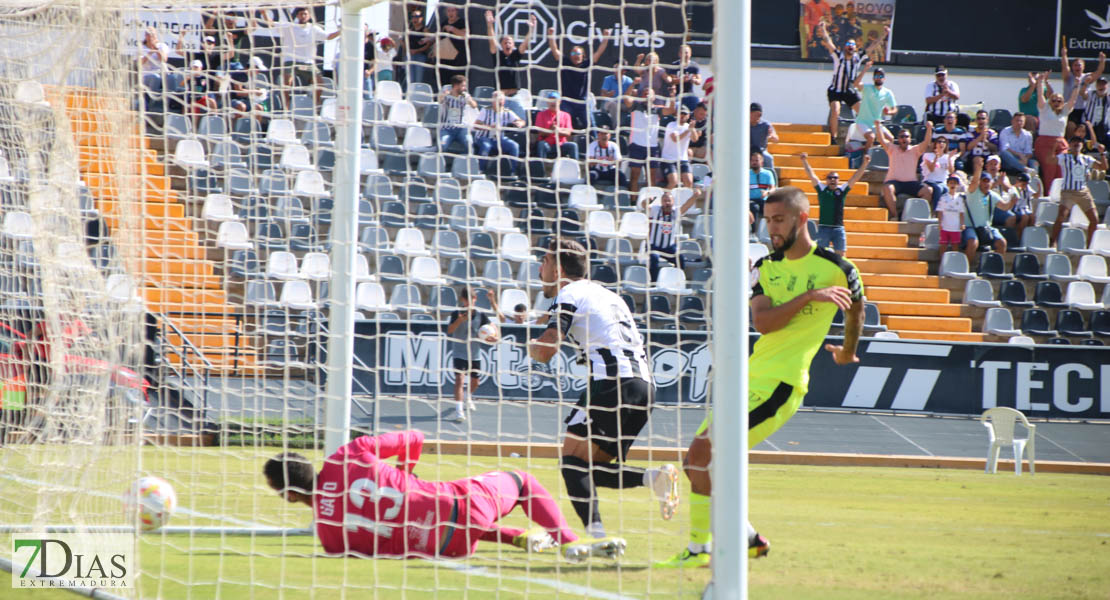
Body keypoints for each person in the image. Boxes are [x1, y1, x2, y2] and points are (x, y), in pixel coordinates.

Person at [656, 185, 865, 569]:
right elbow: (764, 323)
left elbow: (856, 308)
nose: (772, 229)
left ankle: (703, 549)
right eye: (769, 221)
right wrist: (808, 297)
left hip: (782, 384)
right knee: (695, 464)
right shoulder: (765, 268)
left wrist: (849, 350)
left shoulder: (839, 267)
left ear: (803, 219)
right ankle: (748, 539)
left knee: (704, 454)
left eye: (779, 220)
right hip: (749, 379)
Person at [263, 430, 629, 562]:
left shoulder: (329, 539)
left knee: (418, 523)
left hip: (446, 547)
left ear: (289, 497)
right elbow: (414, 438)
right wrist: (406, 474)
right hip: (459, 505)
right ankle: (568, 542)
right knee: (521, 480)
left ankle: (516, 538)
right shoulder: (347, 453)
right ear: (307, 464)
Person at [527, 239, 680, 539]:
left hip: (611, 384)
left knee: (571, 463)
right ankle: (655, 479)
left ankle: (598, 538)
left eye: (543, 262)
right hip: (644, 387)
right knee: (588, 468)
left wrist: (529, 345)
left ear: (558, 269)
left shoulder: (570, 293)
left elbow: (546, 350)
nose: (539, 269)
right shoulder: (607, 295)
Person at [265, 7, 340, 109]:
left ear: (309, 16)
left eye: (305, 14)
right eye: (301, 14)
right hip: (291, 60)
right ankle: (286, 106)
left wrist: (341, 30)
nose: (303, 16)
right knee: (287, 82)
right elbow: (270, 24)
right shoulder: (289, 27)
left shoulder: (313, 28)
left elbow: (329, 36)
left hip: (307, 63)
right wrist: (263, 11)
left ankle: (316, 105)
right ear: (297, 16)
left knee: (319, 82)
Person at [802, 151, 871, 257]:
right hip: (823, 228)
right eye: (830, 178)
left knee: (841, 256)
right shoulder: (822, 189)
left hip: (838, 228)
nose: (832, 180)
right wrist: (804, 161)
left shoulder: (842, 190)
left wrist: (865, 164)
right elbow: (811, 175)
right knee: (820, 256)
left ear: (838, 180)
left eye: (835, 178)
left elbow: (855, 177)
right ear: (826, 180)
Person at [446, 288, 497, 422]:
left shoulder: (480, 315)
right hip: (459, 352)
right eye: (467, 300)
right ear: (463, 300)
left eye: (472, 300)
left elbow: (492, 326)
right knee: (459, 380)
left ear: (475, 300)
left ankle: (468, 396)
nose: (470, 302)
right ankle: (459, 411)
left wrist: (495, 336)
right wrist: (459, 321)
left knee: (475, 382)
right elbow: (449, 330)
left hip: (474, 354)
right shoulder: (456, 313)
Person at [816, 21, 871, 140]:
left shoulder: (858, 58)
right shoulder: (838, 56)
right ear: (845, 46)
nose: (850, 46)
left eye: (853, 44)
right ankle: (833, 138)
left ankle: (866, 136)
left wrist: (883, 35)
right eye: (848, 44)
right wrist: (823, 29)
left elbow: (872, 47)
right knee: (836, 110)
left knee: (863, 111)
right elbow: (828, 42)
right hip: (835, 90)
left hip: (849, 90)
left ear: (856, 48)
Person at [548, 26, 611, 130]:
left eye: (578, 53)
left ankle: (594, 143)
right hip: (567, 101)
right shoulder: (565, 63)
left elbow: (598, 52)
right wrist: (551, 36)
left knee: (591, 126)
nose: (575, 55)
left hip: (582, 102)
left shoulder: (586, 64)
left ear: (583, 55)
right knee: (562, 124)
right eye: (573, 53)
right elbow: (555, 50)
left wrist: (605, 39)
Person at [1053, 133, 1107, 246]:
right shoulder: (1064, 157)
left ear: (1082, 145)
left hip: (1083, 192)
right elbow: (1050, 160)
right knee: (1061, 217)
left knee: (1094, 219)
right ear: (1070, 145)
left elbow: (1103, 167)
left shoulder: (1087, 158)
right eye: (1074, 142)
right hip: (1068, 191)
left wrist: (1102, 153)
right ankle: (1053, 241)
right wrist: (1054, 147)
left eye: (1079, 142)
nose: (1077, 144)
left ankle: (1089, 244)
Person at [877, 119, 934, 220]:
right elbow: (881, 140)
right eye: (902, 136)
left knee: (928, 191)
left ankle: (916, 215)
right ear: (898, 139)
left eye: (906, 136)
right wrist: (878, 126)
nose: (904, 139)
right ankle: (895, 215)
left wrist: (929, 128)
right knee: (887, 188)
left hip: (911, 182)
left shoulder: (915, 150)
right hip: (894, 182)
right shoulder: (892, 148)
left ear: (910, 139)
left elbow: (926, 142)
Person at [1035, 70, 1082, 192]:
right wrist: (1040, 82)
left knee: (1062, 168)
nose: (1056, 103)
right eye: (1053, 100)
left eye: (1059, 101)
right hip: (1045, 142)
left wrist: (1077, 85)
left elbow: (1073, 99)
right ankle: (1048, 196)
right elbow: (1040, 96)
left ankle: (1061, 195)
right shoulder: (1044, 108)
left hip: (1061, 143)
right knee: (1049, 170)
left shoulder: (1065, 111)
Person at [485, 10, 535, 121]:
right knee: (495, 121)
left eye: (510, 42)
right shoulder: (497, 55)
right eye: (505, 42)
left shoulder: (516, 55)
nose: (507, 44)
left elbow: (525, 44)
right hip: (499, 97)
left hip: (515, 97)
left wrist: (531, 29)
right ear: (501, 45)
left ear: (513, 45)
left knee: (521, 121)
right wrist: (489, 25)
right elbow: (491, 41)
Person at [642, 189, 697, 281]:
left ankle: (676, 281)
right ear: (661, 202)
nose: (667, 203)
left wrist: (695, 196)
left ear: (673, 202)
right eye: (665, 201)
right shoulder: (655, 210)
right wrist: (648, 200)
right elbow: (643, 205)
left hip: (669, 247)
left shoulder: (676, 212)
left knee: (680, 259)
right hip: (653, 246)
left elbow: (687, 205)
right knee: (654, 259)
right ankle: (653, 283)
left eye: (669, 201)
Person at [1060, 39, 1106, 139]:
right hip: (1070, 109)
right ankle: (1069, 143)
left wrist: (1102, 61)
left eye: (1079, 65)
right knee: (1071, 126)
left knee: (1083, 128)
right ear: (1072, 67)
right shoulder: (1069, 77)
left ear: (1083, 67)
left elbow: (1099, 72)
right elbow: (1065, 67)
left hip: (1083, 109)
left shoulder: (1087, 77)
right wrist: (1064, 55)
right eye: (1075, 65)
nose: (1077, 67)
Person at [473, 91, 525, 177]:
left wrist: (519, 123)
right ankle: (481, 170)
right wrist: (489, 127)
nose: (499, 103)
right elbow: (476, 125)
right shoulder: (485, 110)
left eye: (501, 100)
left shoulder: (507, 112)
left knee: (514, 146)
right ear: (493, 101)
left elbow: (521, 121)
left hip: (499, 139)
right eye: (497, 100)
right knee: (486, 146)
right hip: (483, 137)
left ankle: (513, 171)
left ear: (504, 101)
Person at [961, 172, 1008, 264]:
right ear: (979, 182)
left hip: (986, 228)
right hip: (969, 226)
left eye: (988, 181)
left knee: (1002, 243)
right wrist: (978, 167)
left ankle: (993, 267)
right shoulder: (972, 192)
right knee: (973, 242)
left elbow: (1005, 207)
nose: (986, 184)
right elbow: (973, 183)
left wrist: (1013, 199)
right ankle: (966, 268)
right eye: (984, 181)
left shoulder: (993, 195)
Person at [853, 66, 896, 148]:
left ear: (884, 78)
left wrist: (889, 112)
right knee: (871, 137)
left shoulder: (887, 93)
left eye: (881, 76)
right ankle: (865, 158)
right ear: (873, 78)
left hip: (876, 124)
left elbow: (895, 109)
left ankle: (878, 153)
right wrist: (865, 69)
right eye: (876, 76)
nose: (878, 78)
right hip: (862, 122)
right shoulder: (867, 88)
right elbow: (856, 84)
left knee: (891, 139)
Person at [660, 106, 700, 194]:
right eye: (680, 114)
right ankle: (663, 199)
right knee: (673, 181)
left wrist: (692, 129)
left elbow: (695, 139)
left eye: (684, 114)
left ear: (688, 116)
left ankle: (685, 201)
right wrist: (688, 130)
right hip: (668, 159)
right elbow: (676, 139)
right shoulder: (671, 125)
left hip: (683, 160)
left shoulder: (688, 127)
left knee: (689, 181)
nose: (682, 116)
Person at [439, 74, 476, 155]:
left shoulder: (465, 96)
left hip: (461, 128)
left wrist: (469, 99)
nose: (465, 88)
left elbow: (474, 105)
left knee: (470, 145)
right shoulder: (446, 96)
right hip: (446, 128)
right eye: (463, 86)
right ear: (456, 86)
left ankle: (461, 162)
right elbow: (440, 100)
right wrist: (444, 94)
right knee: (442, 146)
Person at [533, 91, 577, 160]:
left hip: (561, 145)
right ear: (547, 102)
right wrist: (550, 130)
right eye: (551, 100)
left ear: (559, 102)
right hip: (547, 144)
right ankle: (540, 168)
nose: (553, 102)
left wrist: (557, 130)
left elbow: (568, 133)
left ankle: (575, 168)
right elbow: (540, 133)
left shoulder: (566, 115)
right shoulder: (541, 114)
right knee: (541, 144)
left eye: (555, 100)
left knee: (573, 145)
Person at [435, 4, 468, 86]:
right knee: (443, 81)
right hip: (444, 58)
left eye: (453, 10)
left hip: (458, 59)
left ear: (457, 11)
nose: (450, 13)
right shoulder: (443, 23)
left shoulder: (462, 22)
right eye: (448, 11)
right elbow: (439, 37)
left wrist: (452, 29)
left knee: (457, 82)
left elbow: (465, 35)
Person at [920, 137, 959, 207]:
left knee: (946, 190)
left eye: (944, 142)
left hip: (943, 182)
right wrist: (936, 158)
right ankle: (935, 211)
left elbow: (951, 171)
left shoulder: (947, 157)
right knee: (938, 188)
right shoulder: (927, 155)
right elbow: (931, 169)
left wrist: (949, 159)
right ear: (935, 144)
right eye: (939, 141)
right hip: (930, 181)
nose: (941, 143)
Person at [600, 60, 635, 129]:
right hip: (608, 103)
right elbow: (602, 94)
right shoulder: (607, 79)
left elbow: (631, 95)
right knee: (614, 104)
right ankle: (614, 129)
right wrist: (608, 94)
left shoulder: (629, 81)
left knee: (634, 105)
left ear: (624, 71)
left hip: (623, 105)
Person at [935, 175, 965, 255]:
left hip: (955, 227)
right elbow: (940, 212)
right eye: (951, 183)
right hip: (945, 226)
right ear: (947, 184)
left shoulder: (960, 198)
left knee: (955, 245)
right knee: (943, 245)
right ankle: (942, 262)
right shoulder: (943, 198)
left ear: (957, 185)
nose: (953, 185)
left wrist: (962, 224)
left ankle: (954, 261)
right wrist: (940, 223)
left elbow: (961, 213)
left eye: (955, 183)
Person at [404, 8, 433, 88]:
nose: (414, 19)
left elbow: (429, 44)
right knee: (410, 79)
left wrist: (417, 50)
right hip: (410, 56)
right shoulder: (410, 30)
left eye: (417, 16)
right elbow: (404, 44)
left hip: (420, 56)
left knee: (418, 79)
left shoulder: (425, 30)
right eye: (413, 17)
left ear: (421, 18)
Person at [670, 44, 702, 113]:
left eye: (687, 52)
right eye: (683, 52)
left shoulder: (694, 66)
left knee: (697, 107)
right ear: (679, 54)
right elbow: (672, 81)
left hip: (690, 94)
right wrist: (682, 80)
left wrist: (694, 80)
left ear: (690, 54)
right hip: (678, 95)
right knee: (678, 112)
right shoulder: (675, 65)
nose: (685, 55)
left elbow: (699, 81)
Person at [1006, 172, 1036, 239]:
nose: (1025, 185)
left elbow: (1035, 195)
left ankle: (1028, 237)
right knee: (1025, 217)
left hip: (1025, 209)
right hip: (1015, 209)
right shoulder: (1013, 189)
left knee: (1032, 217)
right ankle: (1019, 237)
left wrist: (1039, 186)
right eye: (1024, 183)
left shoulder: (1027, 188)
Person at [750, 102, 779, 171]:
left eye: (758, 114)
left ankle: (771, 178)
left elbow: (776, 138)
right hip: (747, 150)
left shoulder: (765, 125)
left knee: (768, 158)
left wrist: (773, 137)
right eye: (751, 113)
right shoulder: (743, 124)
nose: (750, 115)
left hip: (761, 151)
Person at [1083, 76, 1110, 149]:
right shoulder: (1091, 94)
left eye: (1103, 84)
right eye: (1099, 84)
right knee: (1089, 147)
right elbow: (1083, 94)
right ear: (1096, 86)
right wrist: (1085, 84)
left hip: (1103, 128)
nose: (1101, 86)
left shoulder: (1108, 98)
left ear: (1107, 86)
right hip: (1089, 125)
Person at [749, 153, 776, 226]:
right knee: (754, 207)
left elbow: (773, 188)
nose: (754, 162)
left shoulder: (768, 173)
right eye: (752, 160)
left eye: (756, 160)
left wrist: (767, 192)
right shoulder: (746, 174)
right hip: (750, 200)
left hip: (764, 200)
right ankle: (753, 232)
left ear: (762, 162)